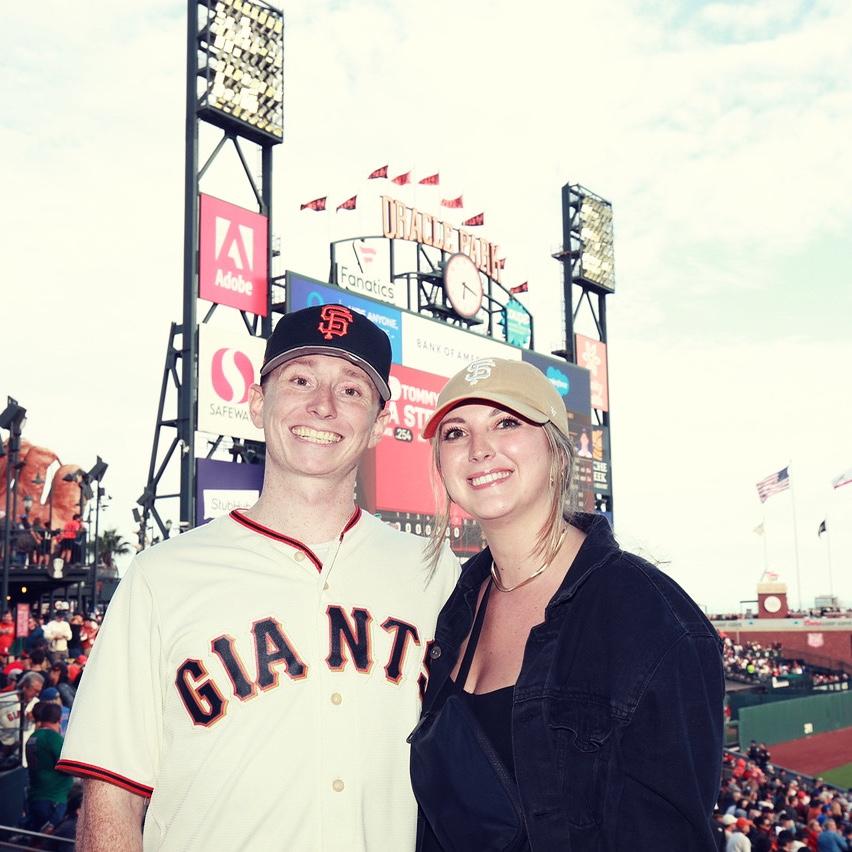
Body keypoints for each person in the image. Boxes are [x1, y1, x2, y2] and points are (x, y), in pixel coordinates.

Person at [58, 305, 458, 851]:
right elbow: (113, 800)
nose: (323, 405)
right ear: (255, 403)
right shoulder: (161, 576)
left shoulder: (434, 572)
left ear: (379, 426)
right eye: (300, 380)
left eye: (351, 390)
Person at [409, 358, 725, 852]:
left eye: (506, 422)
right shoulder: (455, 604)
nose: (478, 448)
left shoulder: (651, 616)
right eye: (455, 432)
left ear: (556, 450)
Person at [25, 700, 74, 832]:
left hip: (35, 797)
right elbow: (66, 765)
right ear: (59, 719)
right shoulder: (53, 738)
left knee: (36, 838)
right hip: (54, 799)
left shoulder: (33, 737)